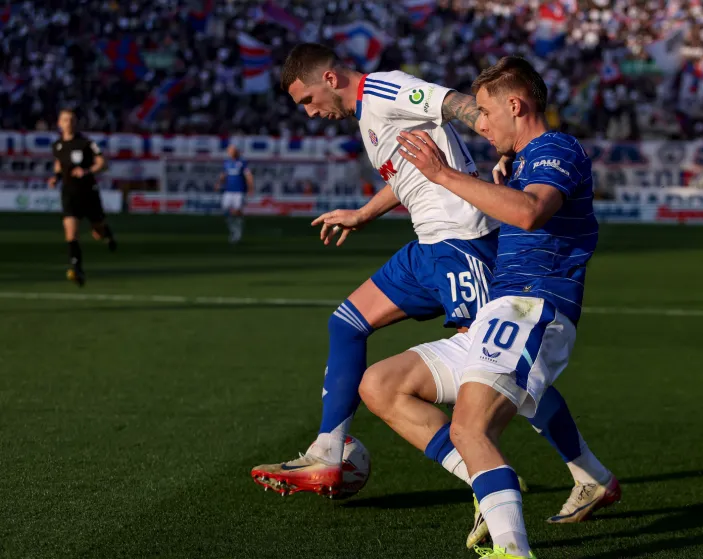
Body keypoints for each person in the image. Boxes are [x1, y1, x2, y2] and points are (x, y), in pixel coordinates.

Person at [250, 44, 617, 546]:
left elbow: (455, 104)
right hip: (429, 244)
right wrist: (363, 214)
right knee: (350, 326)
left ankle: (558, 480)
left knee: (497, 379)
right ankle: (333, 448)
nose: (311, 112)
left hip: (462, 241)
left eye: (309, 99)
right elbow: (408, 177)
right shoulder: (369, 119)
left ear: (330, 78)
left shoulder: (384, 88)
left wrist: (498, 140)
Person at [359, 56, 608, 558]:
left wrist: (443, 174)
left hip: (533, 309)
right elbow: (515, 204)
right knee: (381, 385)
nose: (481, 123)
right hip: (501, 310)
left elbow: (531, 212)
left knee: (470, 428)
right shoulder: (522, 162)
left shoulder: (556, 148)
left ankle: (512, 545)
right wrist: (499, 181)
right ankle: (493, 483)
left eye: (487, 113)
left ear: (516, 105)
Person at [48, 109, 116, 287]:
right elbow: (58, 164)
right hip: (69, 193)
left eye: (71, 119)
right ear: (59, 123)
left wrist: (87, 171)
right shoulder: (57, 146)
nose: (68, 122)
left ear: (75, 122)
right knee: (71, 232)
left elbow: (102, 162)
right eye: (65, 120)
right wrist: (55, 178)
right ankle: (77, 268)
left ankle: (106, 232)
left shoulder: (86, 143)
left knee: (97, 231)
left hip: (88, 193)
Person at [216, 145, 255, 245]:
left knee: (237, 211)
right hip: (228, 191)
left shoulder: (242, 162)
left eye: (231, 151)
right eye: (229, 151)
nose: (230, 153)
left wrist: (250, 188)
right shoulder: (227, 163)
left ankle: (237, 233)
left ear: (236, 152)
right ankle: (233, 229)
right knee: (225, 210)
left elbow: (248, 175)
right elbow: (224, 175)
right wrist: (219, 183)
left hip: (239, 191)